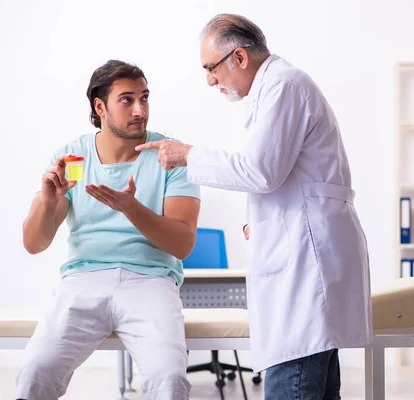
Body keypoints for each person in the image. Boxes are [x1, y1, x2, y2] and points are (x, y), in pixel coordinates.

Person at [136, 14, 372, 399]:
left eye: (211, 68)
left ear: (240, 58)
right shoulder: (274, 89)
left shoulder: (284, 86)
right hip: (304, 254)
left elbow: (260, 171)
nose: (210, 80)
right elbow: (284, 176)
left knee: (291, 382)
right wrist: (258, 223)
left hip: (306, 265)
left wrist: (186, 155)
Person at [17, 60, 201, 400]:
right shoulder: (72, 159)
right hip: (84, 280)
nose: (140, 110)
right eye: (127, 100)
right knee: (35, 371)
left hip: (151, 281)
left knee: (169, 377)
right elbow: (34, 243)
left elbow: (183, 244)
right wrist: (48, 200)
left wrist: (131, 209)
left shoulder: (170, 156)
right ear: (99, 106)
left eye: (144, 98)